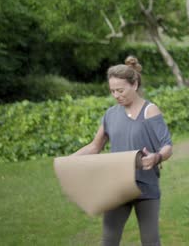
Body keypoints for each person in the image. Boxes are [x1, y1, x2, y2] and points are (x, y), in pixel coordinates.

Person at [73, 56, 173, 246]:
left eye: (120, 90)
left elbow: (167, 145)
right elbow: (95, 146)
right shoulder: (110, 114)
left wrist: (157, 156)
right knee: (109, 241)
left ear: (134, 84)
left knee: (151, 241)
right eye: (112, 91)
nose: (116, 95)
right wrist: (69, 160)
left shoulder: (149, 111)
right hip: (118, 186)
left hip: (146, 187)